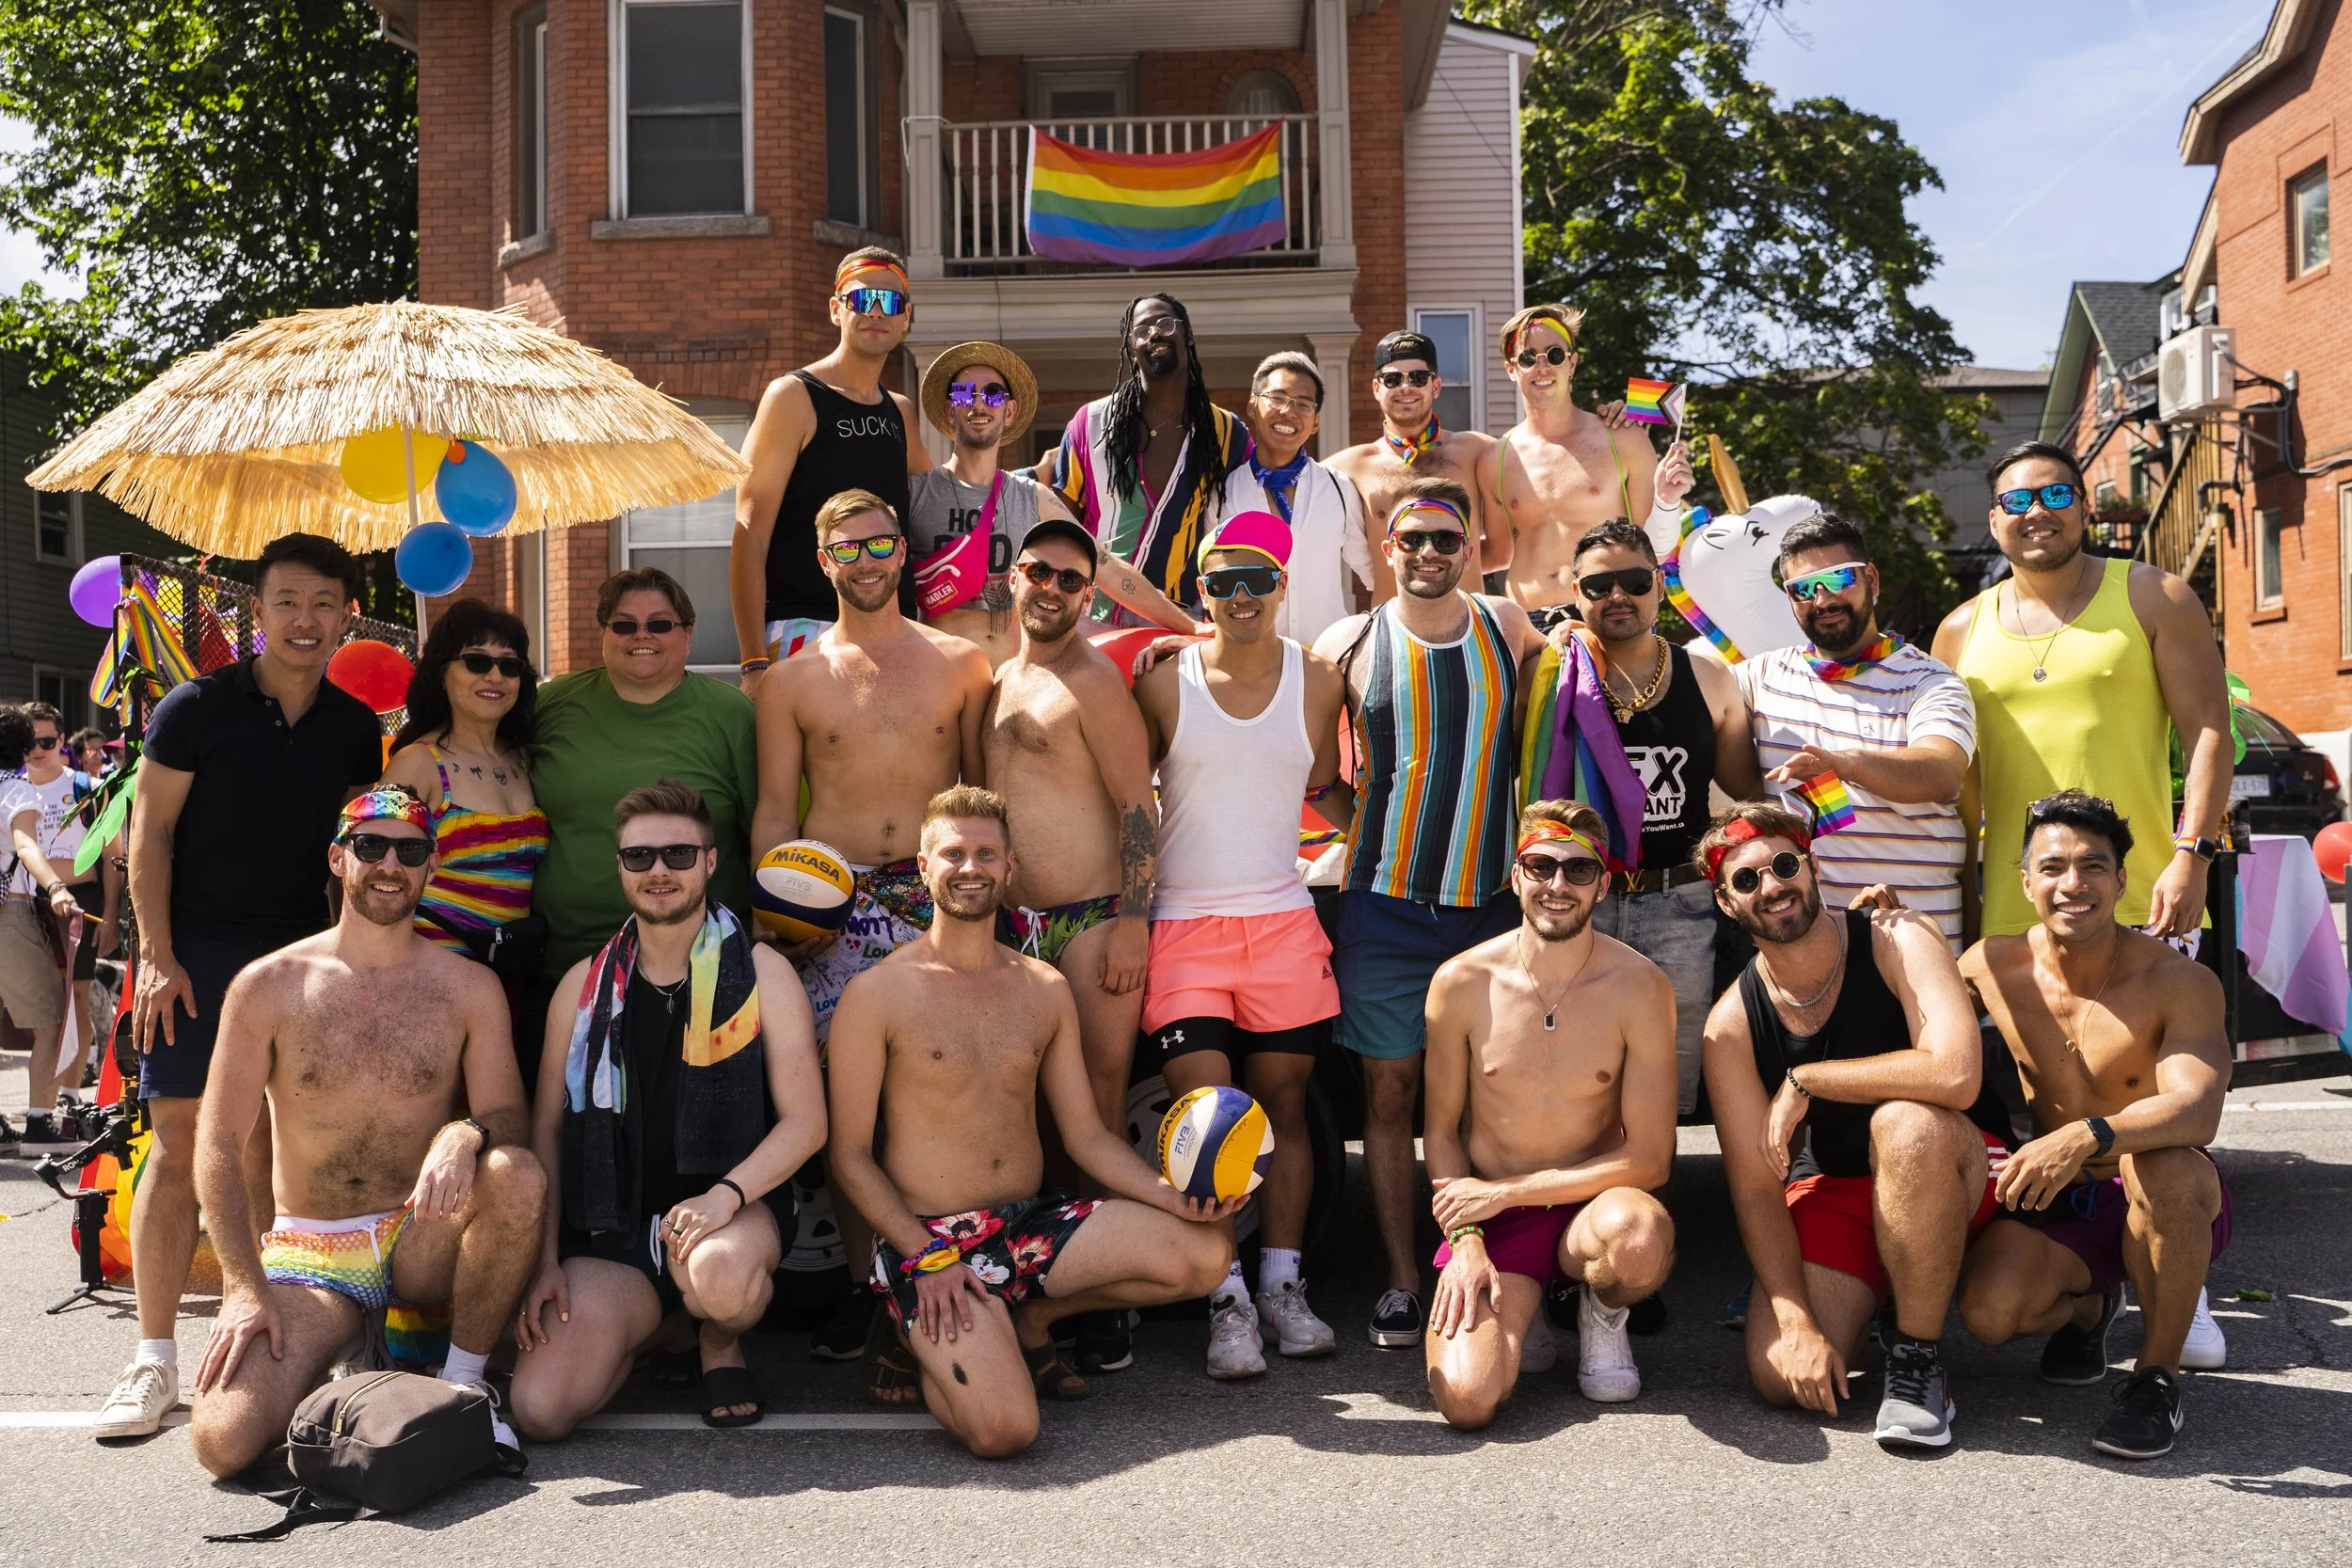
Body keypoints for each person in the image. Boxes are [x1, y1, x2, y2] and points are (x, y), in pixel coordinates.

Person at [824, 785, 1237, 1456]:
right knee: (1005, 1429)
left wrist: (1172, 1198)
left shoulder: (1043, 986)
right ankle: (909, 1331)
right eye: (953, 852)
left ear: (1009, 867)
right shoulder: (877, 994)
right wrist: (924, 1258)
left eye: (986, 852)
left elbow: (1086, 1136)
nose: (971, 866)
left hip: (1026, 1227)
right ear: (923, 866)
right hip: (932, 1240)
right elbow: (848, 1155)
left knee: (1206, 1252)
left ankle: (1030, 1316)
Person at [95, 533, 386, 1442]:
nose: (306, 619)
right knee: (184, 1143)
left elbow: (356, 859)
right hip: (198, 955)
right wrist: (156, 955)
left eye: (324, 603)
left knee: (286, 1151)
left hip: (301, 960)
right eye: (287, 601)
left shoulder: (352, 728)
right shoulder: (192, 708)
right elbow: (149, 835)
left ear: (347, 615)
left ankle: (275, 1332)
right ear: (255, 612)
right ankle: (153, 1359)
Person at [184, 786, 546, 1476]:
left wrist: (464, 1132)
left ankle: (466, 1384)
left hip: (419, 1236)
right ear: (337, 857)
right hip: (312, 1254)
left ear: (430, 867)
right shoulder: (268, 984)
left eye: (409, 851)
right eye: (370, 846)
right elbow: (218, 1141)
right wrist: (242, 1285)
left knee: (516, 1171)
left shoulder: (468, 987)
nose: (389, 864)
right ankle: (342, 1362)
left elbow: (511, 1120)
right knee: (223, 1442)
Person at [751, 486, 992, 1365]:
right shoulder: (790, 681)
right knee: (849, 1107)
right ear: (824, 563)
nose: (866, 559)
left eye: (880, 543)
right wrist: (777, 918)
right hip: (832, 903)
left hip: (937, 902)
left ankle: (964, 1267)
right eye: (846, 548)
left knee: (937, 1093)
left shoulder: (962, 663)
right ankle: (866, 1286)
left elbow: (978, 797)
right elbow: (777, 808)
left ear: (902, 551)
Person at [1311, 477, 1548, 1349]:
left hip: (1491, 904)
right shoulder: (1347, 641)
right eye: (1413, 539)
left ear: (1471, 549)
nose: (1428, 554)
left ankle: (1494, 1262)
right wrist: (1373, 831)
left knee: (1493, 1096)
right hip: (1384, 905)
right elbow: (1310, 769)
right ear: (1389, 547)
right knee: (1391, 1090)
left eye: (1447, 540)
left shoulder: (1508, 626)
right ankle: (1405, 1279)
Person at [1698, 802, 2016, 1449]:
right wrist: (1795, 1321)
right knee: (1778, 1373)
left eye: (1785, 865)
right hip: (1845, 1186)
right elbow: (1758, 1189)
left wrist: (1809, 1078)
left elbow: (1957, 1074)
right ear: (1727, 904)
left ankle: (1917, 1357)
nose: (1772, 885)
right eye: (1747, 879)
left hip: (1959, 1164)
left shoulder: (1899, 936)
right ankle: (1887, 1293)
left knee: (1903, 1125)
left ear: (1813, 868)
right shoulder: (1730, 1024)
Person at [511, 780, 824, 1433]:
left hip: (731, 1216)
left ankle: (716, 1339)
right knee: (541, 1410)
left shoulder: (762, 970)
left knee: (718, 1276)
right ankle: (654, 1326)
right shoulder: (583, 984)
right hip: (615, 1227)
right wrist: (544, 1259)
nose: (659, 871)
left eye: (679, 855)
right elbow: (546, 1127)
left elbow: (807, 1122)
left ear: (710, 861)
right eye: (640, 857)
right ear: (620, 867)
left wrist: (726, 1196)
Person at [1134, 512, 1352, 1378]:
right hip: (1185, 926)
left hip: (1282, 921)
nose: (1241, 595)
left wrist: (1386, 844)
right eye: (1222, 582)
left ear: (1281, 586)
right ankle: (1224, 1300)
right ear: (1202, 595)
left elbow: (1326, 786)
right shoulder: (1162, 683)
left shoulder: (1320, 681)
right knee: (1206, 1123)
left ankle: (1283, 1288)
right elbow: (1129, 804)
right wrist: (1125, 915)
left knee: (1284, 1114)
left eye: (1256, 578)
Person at [1956, 790, 2233, 1461]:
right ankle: (2089, 1309)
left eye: (2093, 866)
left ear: (2121, 879)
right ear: (2025, 882)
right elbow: (1918, 1024)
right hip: (2062, 1198)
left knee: (2161, 1159)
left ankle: (2155, 1378)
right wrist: (1886, 933)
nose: (2072, 884)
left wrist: (2090, 1132)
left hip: (2163, 1191)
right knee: (1989, 1315)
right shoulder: (1990, 966)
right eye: (2052, 867)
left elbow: (2199, 1110)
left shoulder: (2177, 979)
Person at [1421, 801, 1677, 1427]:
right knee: (1467, 1398)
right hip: (1494, 1219)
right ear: (1516, 876)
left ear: (1603, 883)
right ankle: (1524, 1307)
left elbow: (1650, 1157)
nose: (1557, 885)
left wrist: (1504, 1191)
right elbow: (1441, 1131)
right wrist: (1467, 1240)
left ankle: (1600, 1310)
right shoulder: (1460, 983)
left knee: (1640, 1240)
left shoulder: (1641, 986)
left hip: (1593, 1205)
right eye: (1541, 865)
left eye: (1577, 870)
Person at [980, 515, 1160, 1376]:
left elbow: (1137, 806)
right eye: (1037, 572)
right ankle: (1036, 1279)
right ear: (1013, 580)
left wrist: (1133, 919)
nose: (1049, 588)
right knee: (1029, 1110)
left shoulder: (1093, 682)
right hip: (1014, 928)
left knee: (1096, 1098)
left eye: (1068, 579)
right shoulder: (1001, 677)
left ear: (1089, 595)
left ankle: (1105, 1301)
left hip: (1092, 920)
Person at [1931, 441, 2231, 943]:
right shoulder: (1958, 630)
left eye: (2056, 494)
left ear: (2085, 508)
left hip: (2147, 901)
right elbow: (1959, 787)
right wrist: (1965, 896)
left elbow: (2208, 732)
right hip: (2014, 913)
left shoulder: (2156, 597)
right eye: (2017, 501)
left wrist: (2193, 857)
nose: (2038, 511)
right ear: (1992, 521)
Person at [532, 568, 757, 1084]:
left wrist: (773, 923)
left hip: (702, 968)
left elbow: (764, 824)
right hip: (568, 962)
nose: (642, 637)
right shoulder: (551, 705)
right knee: (571, 1125)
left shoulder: (731, 715)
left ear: (687, 633)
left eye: (659, 624)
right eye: (624, 624)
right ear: (603, 633)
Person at [1570, 518, 1763, 1115]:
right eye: (1598, 585)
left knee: (1669, 1089)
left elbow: (1745, 791)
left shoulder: (1707, 678)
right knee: (1577, 1084)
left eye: (1633, 580)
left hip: (1681, 907)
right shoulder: (1555, 677)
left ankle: (1650, 1206)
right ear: (1574, 593)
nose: (1617, 596)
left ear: (1658, 583)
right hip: (1580, 903)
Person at [1737, 513, 1975, 946]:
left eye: (1839, 579)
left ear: (1872, 580)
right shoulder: (1760, 678)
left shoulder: (1929, 681)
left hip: (1917, 943)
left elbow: (1943, 771)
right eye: (1804, 589)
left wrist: (1843, 764)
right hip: (1805, 950)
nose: (1823, 599)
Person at [909, 341, 1196, 668]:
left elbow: (1106, 567)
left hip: (1012, 683)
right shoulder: (917, 495)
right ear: (950, 408)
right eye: (964, 394)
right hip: (943, 680)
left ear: (1009, 410)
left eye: (993, 395)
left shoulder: (1032, 497)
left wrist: (1190, 626)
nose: (978, 404)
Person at [731, 246, 930, 685]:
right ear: (836, 310)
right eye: (862, 300)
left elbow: (936, 512)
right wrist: (752, 661)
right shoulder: (792, 397)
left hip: (893, 635)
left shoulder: (901, 412)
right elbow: (749, 534)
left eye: (890, 302)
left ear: (906, 317)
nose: (876, 312)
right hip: (805, 633)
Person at [1484, 305, 1696, 625]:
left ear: (1572, 363)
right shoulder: (1494, 459)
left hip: (1609, 617)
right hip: (1527, 625)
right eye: (1529, 357)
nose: (1542, 367)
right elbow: (1496, 554)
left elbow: (1657, 551)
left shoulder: (1622, 437)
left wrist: (1668, 501)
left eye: (1554, 355)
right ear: (1512, 369)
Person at [1046, 293, 1252, 623]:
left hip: (1183, 617)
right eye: (1141, 330)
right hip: (1099, 615)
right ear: (1131, 348)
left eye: (1165, 324)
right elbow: (1061, 526)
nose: (1154, 333)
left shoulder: (1227, 433)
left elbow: (1238, 524)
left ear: (1187, 335)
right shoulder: (1090, 424)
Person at [382, 598, 548, 974]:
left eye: (509, 666)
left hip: (513, 974)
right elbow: (375, 874)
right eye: (476, 661)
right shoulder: (417, 763)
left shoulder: (523, 759)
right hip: (429, 979)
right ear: (441, 673)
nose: (494, 677)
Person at [1327, 330, 1501, 600]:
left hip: (1469, 626)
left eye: (1418, 378)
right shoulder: (1351, 466)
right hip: (1392, 630)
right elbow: (1284, 477)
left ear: (1436, 386)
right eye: (1393, 379)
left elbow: (1539, 453)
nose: (1405, 387)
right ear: (1376, 388)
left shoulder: (1478, 451)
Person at [13, 702, 118, 1138]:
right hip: (27, 905)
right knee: (45, 1009)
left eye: (48, 741)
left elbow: (113, 857)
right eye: (30, 742)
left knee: (76, 1002)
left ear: (62, 743)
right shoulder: (12, 789)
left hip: (80, 902)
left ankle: (71, 1098)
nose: (39, 750)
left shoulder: (88, 788)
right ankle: (45, 1098)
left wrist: (111, 914)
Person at [1224, 350, 1373, 641]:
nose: (1289, 412)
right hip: (1249, 664)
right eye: (1277, 399)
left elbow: (1373, 573)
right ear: (1253, 406)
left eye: (1303, 404)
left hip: (1328, 662)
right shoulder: (1224, 493)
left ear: (1316, 421)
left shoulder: (1339, 490)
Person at [0, 704, 79, 1152]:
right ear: (25, 746)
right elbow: (26, 843)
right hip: (8, 916)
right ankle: (38, 1123)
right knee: (51, 1017)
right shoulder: (17, 790)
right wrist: (54, 886)